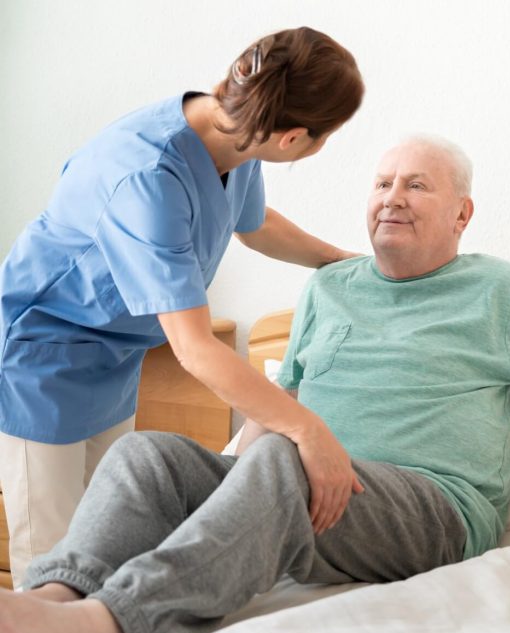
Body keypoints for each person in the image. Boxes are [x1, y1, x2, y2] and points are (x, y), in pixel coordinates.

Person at [0, 135, 510, 633]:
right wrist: (230, 488)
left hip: (431, 508)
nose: (392, 197)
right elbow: (284, 405)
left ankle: (110, 625)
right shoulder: (331, 287)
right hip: (308, 482)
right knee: (150, 454)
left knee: (288, 458)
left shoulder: (502, 293)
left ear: (462, 213)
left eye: (417, 186)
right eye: (383, 183)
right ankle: (57, 598)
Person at [0, 27, 365, 587]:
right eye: (326, 138)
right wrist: (307, 430)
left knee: (107, 546)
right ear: (293, 139)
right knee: (50, 566)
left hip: (115, 359)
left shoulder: (236, 130)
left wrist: (340, 262)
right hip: (43, 359)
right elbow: (195, 348)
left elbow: (255, 223)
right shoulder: (150, 174)